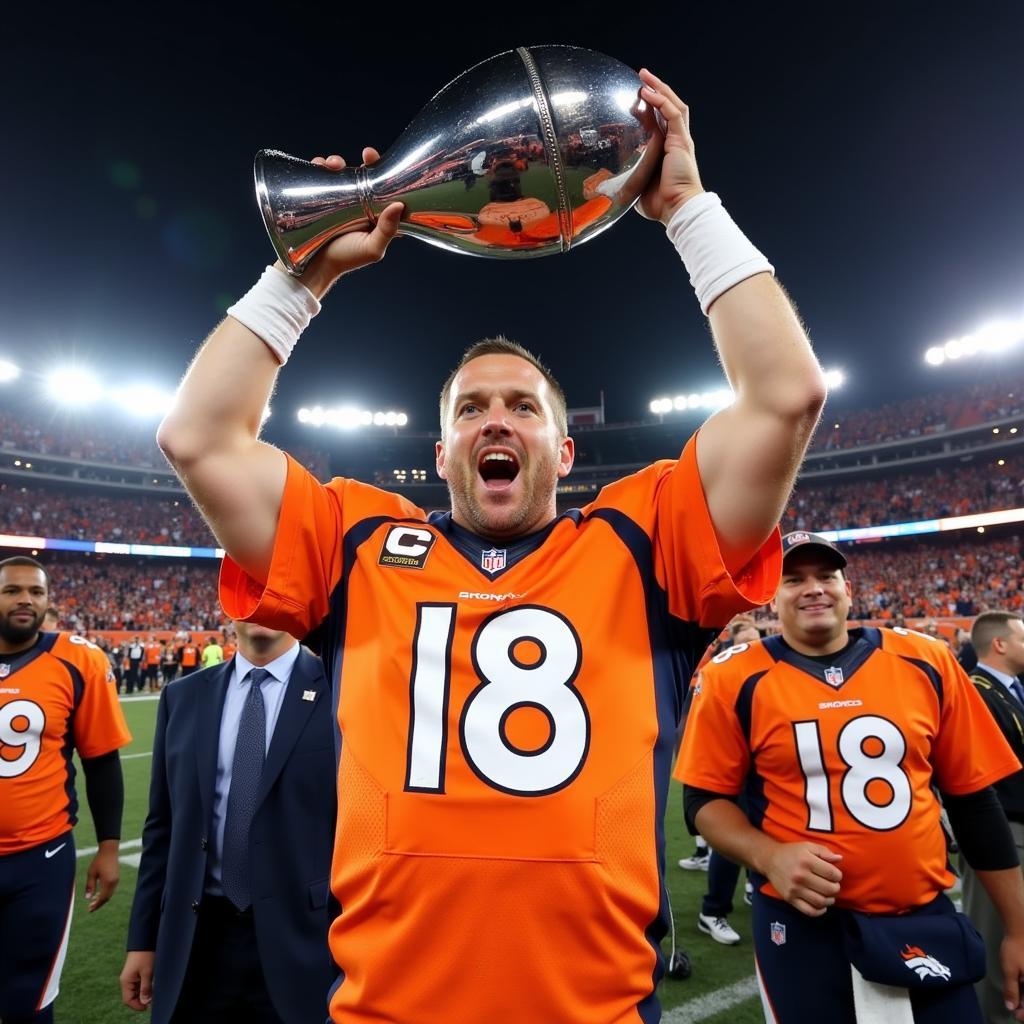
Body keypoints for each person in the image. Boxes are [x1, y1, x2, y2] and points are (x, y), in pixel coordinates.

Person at [157, 71, 827, 1023]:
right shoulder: (360, 537)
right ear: (441, 454)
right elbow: (199, 438)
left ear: (564, 449)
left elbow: (785, 397)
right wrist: (304, 271)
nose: (493, 420)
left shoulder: (643, 540)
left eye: (522, 406)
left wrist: (686, 208)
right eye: (470, 408)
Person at [676, 531, 1024, 1023]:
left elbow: (974, 801)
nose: (813, 588)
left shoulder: (927, 660)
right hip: (803, 922)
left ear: (848, 589)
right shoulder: (734, 676)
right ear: (773, 599)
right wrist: (767, 855)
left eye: (826, 576)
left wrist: (1018, 927)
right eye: (793, 579)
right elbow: (703, 800)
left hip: (921, 913)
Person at [120, 621, 337, 1023]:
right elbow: (162, 828)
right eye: (247, 586)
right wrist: (143, 940)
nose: (259, 602)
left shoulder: (341, 690)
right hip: (196, 939)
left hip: (301, 937)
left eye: (269, 586)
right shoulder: (182, 696)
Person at [0, 555, 131, 1024]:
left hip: (41, 858)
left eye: (36, 592)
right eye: (12, 590)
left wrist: (109, 848)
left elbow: (102, 763)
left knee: (29, 999)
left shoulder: (77, 659)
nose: (25, 600)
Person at [963, 611, 1024, 1023]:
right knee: (995, 935)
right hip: (1000, 830)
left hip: (1015, 824)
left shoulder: (1012, 688)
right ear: (1000, 644)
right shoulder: (977, 691)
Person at [693, 617, 761, 946]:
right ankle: (713, 910)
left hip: (763, 768)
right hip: (732, 768)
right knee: (732, 839)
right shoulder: (722, 675)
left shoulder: (769, 672)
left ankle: (754, 886)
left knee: (767, 827)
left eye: (757, 641)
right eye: (745, 643)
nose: (752, 648)